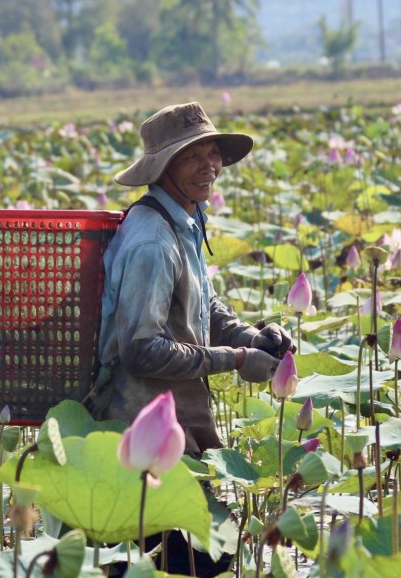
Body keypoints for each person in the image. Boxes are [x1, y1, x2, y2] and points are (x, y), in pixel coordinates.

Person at [94, 101, 293, 575]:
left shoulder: (184, 217)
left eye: (213, 153)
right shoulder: (151, 242)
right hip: (140, 433)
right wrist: (237, 358)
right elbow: (141, 350)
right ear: (162, 168)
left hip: (180, 424)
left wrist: (253, 335)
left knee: (209, 559)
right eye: (192, 156)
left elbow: (203, 306)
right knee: (187, 563)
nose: (210, 166)